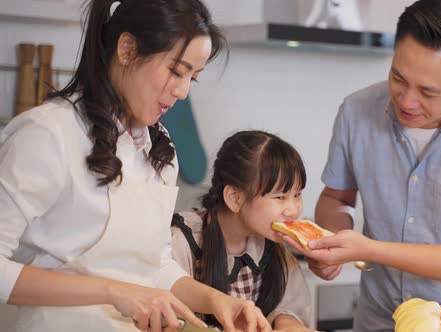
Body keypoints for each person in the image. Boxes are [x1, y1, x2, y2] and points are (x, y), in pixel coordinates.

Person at [0, 1, 271, 331]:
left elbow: (154, 266)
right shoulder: (47, 134)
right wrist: (114, 291)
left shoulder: (160, 149)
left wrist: (217, 300)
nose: (183, 91)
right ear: (127, 49)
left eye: (193, 78)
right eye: (176, 71)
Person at [281, 0, 441, 331]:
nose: (406, 100)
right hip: (379, 319)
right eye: (398, 77)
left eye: (427, 91)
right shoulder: (356, 112)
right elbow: (336, 199)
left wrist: (370, 249)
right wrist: (335, 240)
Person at [170, 130, 315, 332]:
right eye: (280, 197)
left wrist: (287, 322)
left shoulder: (272, 245)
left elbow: (288, 308)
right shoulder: (184, 241)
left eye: (297, 195)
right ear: (235, 198)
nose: (293, 210)